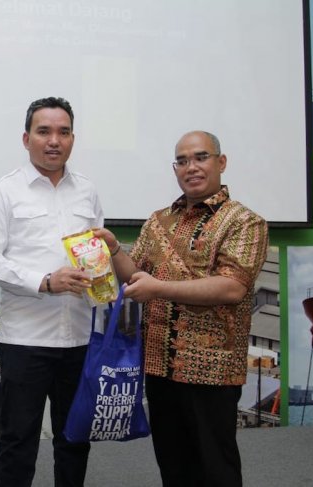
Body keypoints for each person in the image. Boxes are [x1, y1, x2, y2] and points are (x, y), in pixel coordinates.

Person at [95, 131, 269, 486]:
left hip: (212, 369)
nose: (191, 167)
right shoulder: (159, 220)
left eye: (201, 157)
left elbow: (232, 287)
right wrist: (113, 249)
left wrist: (158, 288)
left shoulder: (245, 222)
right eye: (183, 161)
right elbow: (135, 275)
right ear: (175, 169)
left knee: (215, 467)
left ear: (221, 162)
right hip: (160, 366)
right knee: (173, 466)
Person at [0, 97, 103, 487]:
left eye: (63, 132)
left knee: (74, 439)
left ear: (73, 138)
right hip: (26, 340)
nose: (54, 141)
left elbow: (95, 254)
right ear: (26, 138)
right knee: (18, 441)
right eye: (44, 131)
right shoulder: (5, 191)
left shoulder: (87, 191)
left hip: (79, 338)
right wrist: (44, 281)